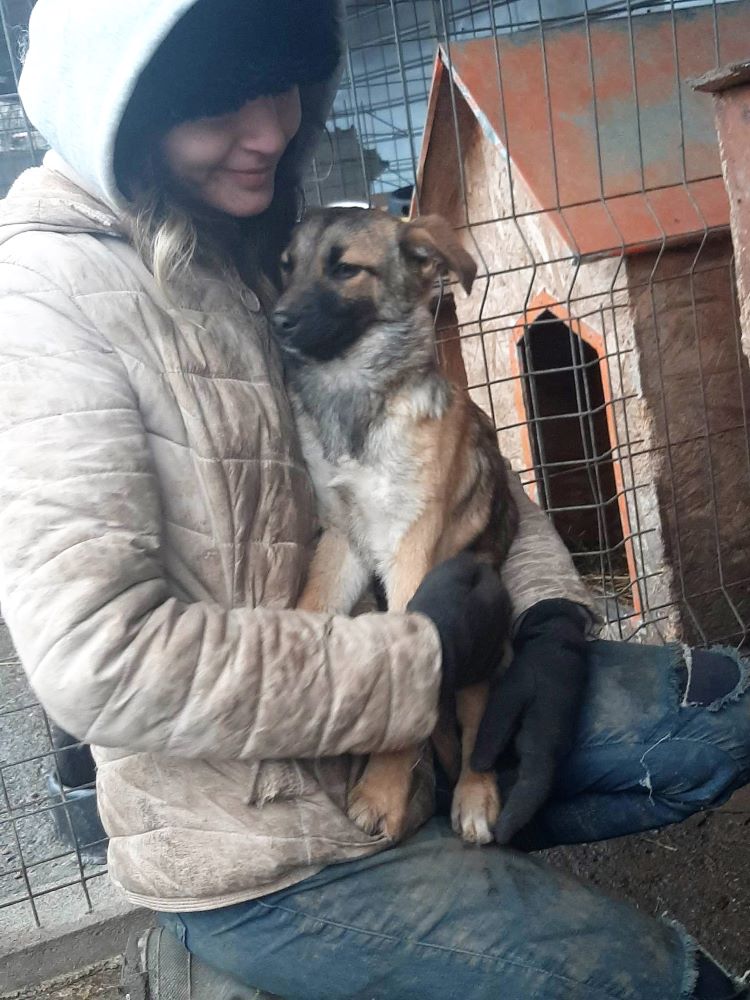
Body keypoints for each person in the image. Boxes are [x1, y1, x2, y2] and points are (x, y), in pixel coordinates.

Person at [0, 1, 747, 997]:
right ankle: (230, 953)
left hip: (424, 689)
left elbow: (443, 455)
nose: (271, 130)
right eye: (221, 102)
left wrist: (553, 614)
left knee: (728, 711)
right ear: (120, 111)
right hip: (261, 844)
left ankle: (463, 818)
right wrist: (418, 662)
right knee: (660, 981)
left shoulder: (251, 229)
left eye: (282, 87)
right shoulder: (47, 306)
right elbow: (97, 659)